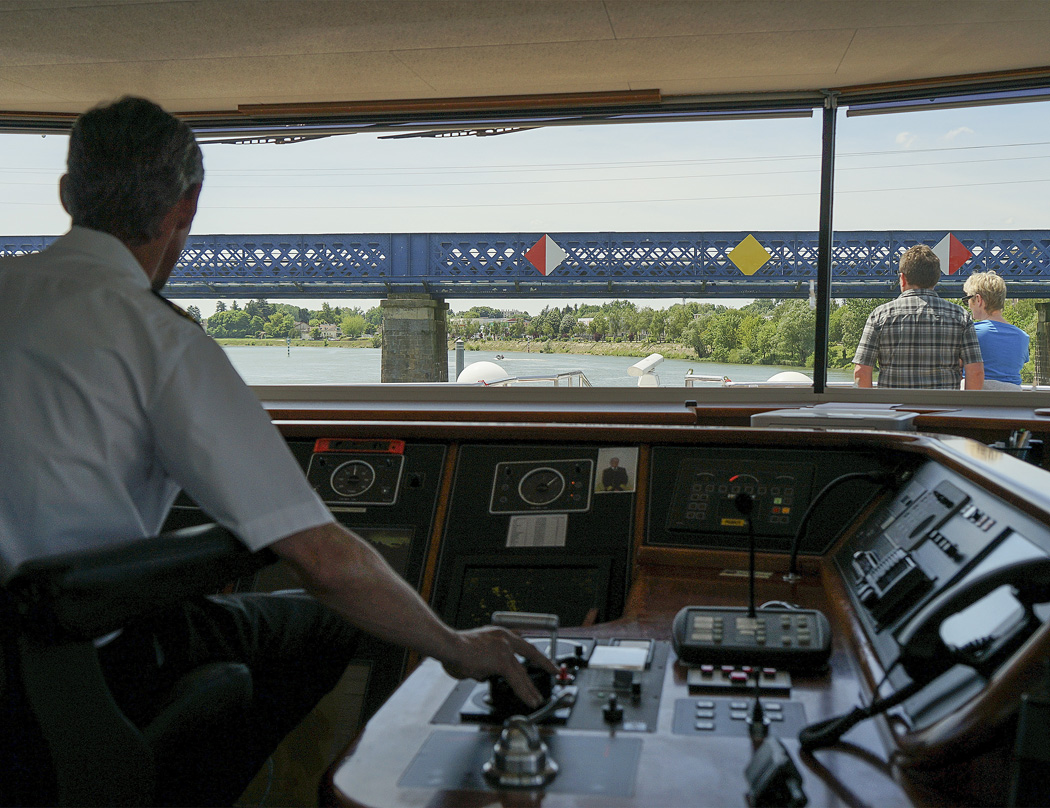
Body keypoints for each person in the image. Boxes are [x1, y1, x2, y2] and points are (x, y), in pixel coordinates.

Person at [0, 97, 554, 806]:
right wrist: (455, 643)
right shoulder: (160, 341)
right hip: (89, 661)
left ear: (66, 194)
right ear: (186, 207)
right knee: (321, 623)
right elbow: (323, 559)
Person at [853, 244, 984, 390]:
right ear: (935, 280)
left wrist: (874, 409)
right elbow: (976, 372)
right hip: (943, 410)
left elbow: (861, 372)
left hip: (893, 409)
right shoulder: (961, 316)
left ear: (902, 279)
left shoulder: (879, 316)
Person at [962, 271, 1030, 389]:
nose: (968, 304)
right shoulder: (1023, 337)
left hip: (976, 399)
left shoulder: (970, 332)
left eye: (967, 298)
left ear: (978, 299)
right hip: (1011, 400)